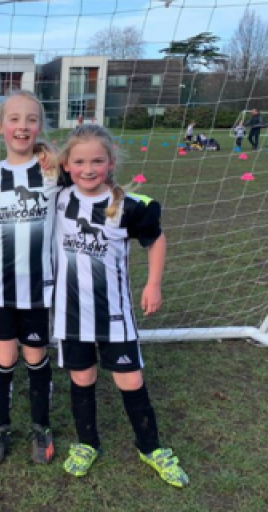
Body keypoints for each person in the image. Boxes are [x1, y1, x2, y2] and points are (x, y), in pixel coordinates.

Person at [53, 124, 189, 488]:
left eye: (97, 160)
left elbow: (156, 239)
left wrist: (153, 283)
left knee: (130, 380)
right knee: (82, 379)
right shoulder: (60, 197)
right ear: (67, 165)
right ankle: (87, 443)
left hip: (114, 314)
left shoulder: (129, 205)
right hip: (71, 315)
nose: (88, 168)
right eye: (79, 161)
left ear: (111, 162)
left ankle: (151, 447)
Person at [0, 90, 59, 465]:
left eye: (31, 119)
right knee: (4, 357)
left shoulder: (56, 170)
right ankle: (1, 427)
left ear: (39, 126)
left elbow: (97, 168)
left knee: (36, 356)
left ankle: (41, 427)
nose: (22, 126)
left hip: (39, 289)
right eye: (14, 119)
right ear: (0, 126)